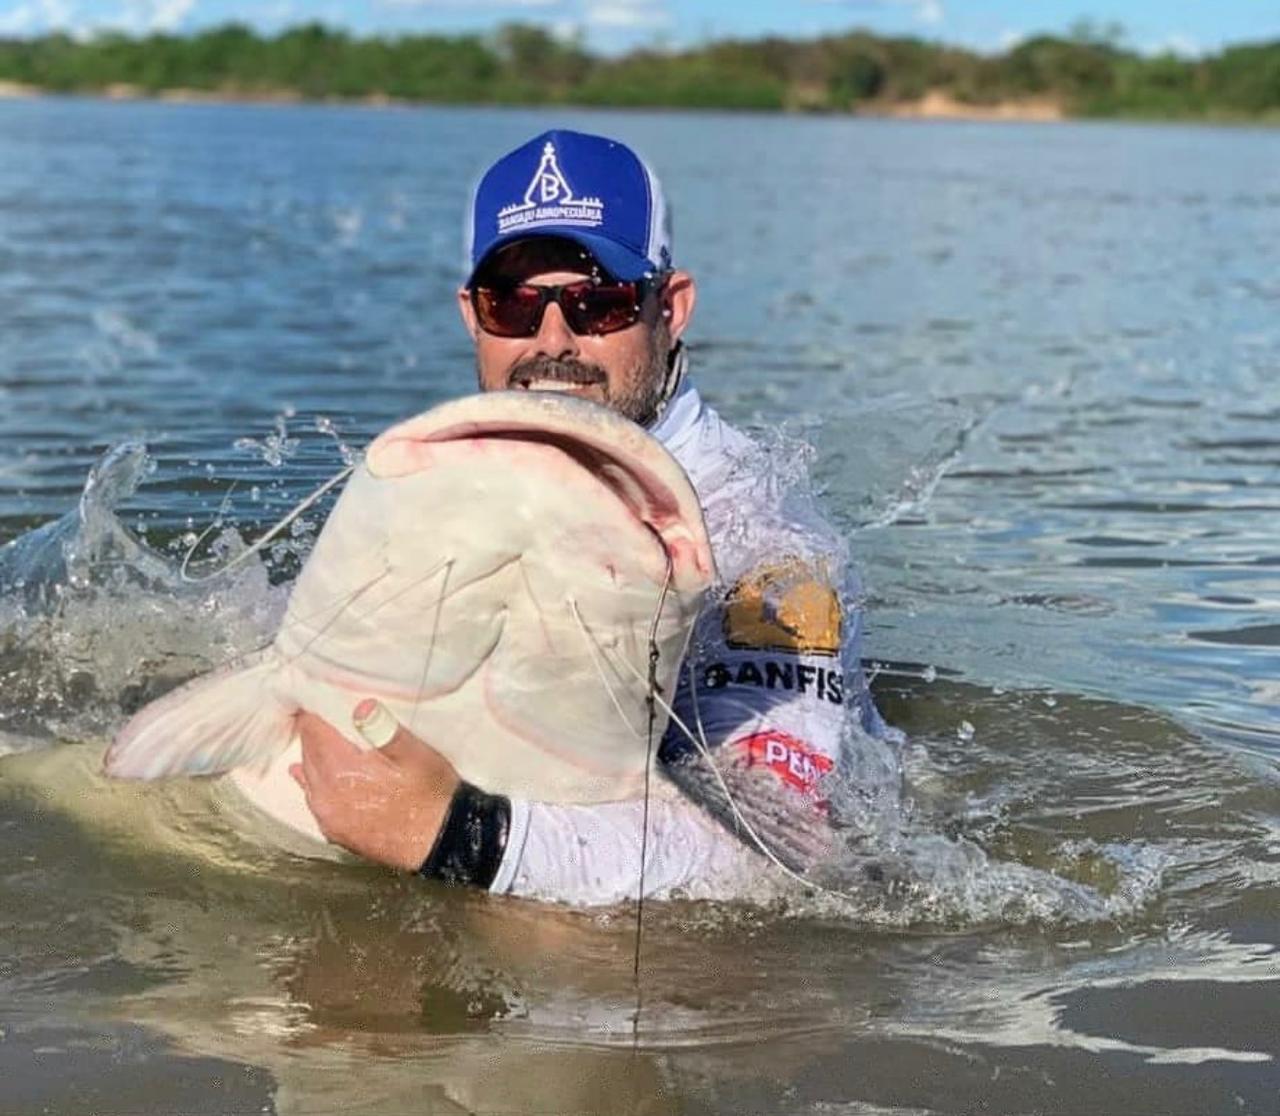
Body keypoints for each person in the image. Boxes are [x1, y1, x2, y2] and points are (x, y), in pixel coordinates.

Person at [289, 129, 889, 906]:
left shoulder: (767, 550)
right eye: (513, 305)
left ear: (671, 308)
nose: (552, 344)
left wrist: (458, 836)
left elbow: (781, 860)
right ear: (472, 315)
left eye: (597, 303)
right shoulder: (446, 477)